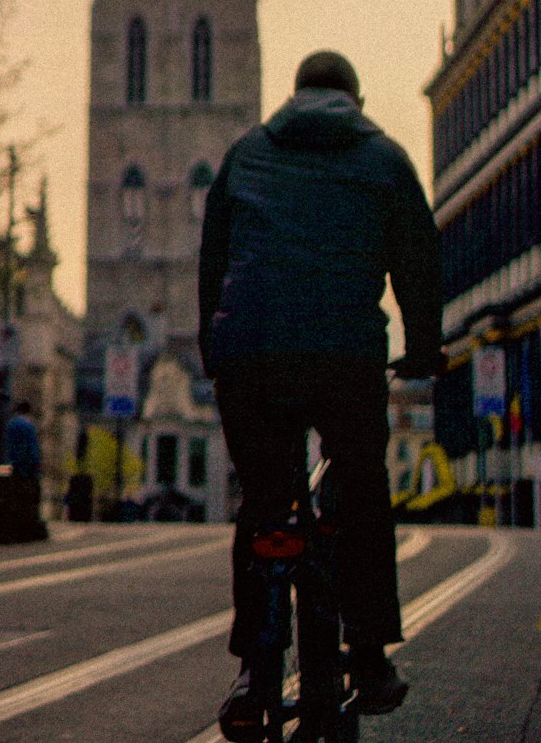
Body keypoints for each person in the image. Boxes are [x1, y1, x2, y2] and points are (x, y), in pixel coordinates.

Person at [198, 50, 443, 737]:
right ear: (354, 101)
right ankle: (366, 656)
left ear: (295, 96)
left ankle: (252, 670)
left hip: (251, 358)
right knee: (360, 487)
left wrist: (215, 351)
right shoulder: (386, 157)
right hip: (344, 358)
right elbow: (418, 260)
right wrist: (423, 348)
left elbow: (212, 263)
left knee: (265, 503)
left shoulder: (246, 153)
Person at [5, 399, 44, 534]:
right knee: (30, 497)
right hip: (28, 468)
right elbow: (32, 448)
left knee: (15, 497)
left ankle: (15, 524)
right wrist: (36, 464)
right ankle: (28, 526)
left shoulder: (11, 424)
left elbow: (7, 446)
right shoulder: (28, 425)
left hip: (14, 466)